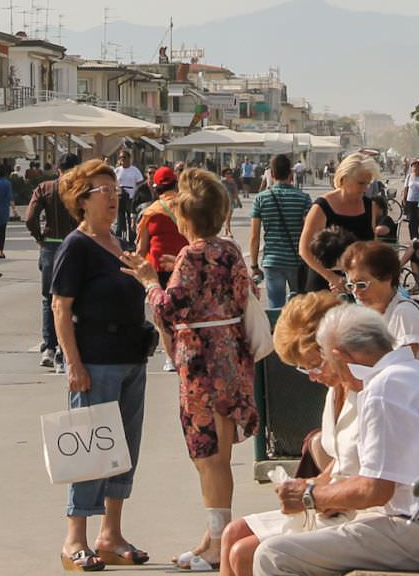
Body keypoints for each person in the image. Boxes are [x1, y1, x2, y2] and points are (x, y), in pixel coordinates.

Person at [250, 305, 419, 576]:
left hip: (413, 535)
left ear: (340, 356)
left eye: (328, 363)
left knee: (273, 555)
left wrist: (310, 497)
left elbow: (374, 490)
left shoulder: (384, 388)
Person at [134, 168, 259, 572]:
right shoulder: (227, 250)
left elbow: (169, 309)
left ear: (185, 218)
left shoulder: (192, 254)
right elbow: (243, 294)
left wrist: (151, 280)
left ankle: (219, 542)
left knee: (208, 456)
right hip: (231, 355)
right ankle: (212, 536)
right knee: (216, 455)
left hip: (201, 361)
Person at [220, 292, 372, 576]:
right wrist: (312, 484)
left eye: (315, 365)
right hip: (330, 505)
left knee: (244, 552)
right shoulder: (335, 391)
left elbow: (371, 480)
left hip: (357, 515)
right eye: (304, 369)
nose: (312, 376)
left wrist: (315, 493)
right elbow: (341, 463)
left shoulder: (370, 394)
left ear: (335, 348)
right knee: (232, 533)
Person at [50, 159, 151, 572]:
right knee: (89, 450)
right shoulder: (76, 245)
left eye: (115, 189)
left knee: (123, 450)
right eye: (102, 190)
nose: (113, 196)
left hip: (131, 358)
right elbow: (60, 306)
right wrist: (73, 362)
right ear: (81, 200)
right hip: (95, 359)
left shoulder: (119, 242)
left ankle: (111, 535)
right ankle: (74, 539)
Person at [297, 155, 391, 296]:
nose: (365, 188)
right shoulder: (322, 206)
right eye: (360, 183)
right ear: (344, 178)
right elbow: (304, 250)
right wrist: (331, 277)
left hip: (359, 286)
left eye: (368, 183)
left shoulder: (369, 205)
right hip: (324, 284)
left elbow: (371, 243)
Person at [26, 151, 82, 370]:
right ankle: (64, 349)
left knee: (48, 298)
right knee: (72, 298)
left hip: (50, 244)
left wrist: (39, 237)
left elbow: (30, 218)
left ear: (58, 169)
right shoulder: (80, 189)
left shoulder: (44, 188)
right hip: (75, 245)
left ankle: (49, 347)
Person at [343, 241, 419, 366]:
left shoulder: (404, 312)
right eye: (351, 285)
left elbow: (401, 366)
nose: (356, 292)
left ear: (387, 278)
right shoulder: (367, 315)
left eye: (362, 285)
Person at [249, 154, 311, 309]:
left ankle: (277, 332)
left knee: (276, 307)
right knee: (300, 308)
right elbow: (309, 232)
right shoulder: (303, 198)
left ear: (271, 174)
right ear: (291, 174)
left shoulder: (261, 199)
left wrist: (254, 266)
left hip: (272, 260)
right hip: (298, 261)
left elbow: (254, 236)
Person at [113, 153, 146, 239]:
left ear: (129, 158)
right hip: (120, 198)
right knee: (120, 220)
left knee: (130, 219)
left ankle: (132, 239)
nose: (122, 159)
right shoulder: (117, 171)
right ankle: (119, 238)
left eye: (124, 157)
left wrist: (136, 194)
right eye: (120, 158)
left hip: (131, 198)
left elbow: (140, 183)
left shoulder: (134, 170)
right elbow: (113, 183)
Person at [401, 161, 419, 245]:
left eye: (417, 167)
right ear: (411, 168)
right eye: (414, 167)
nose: (415, 168)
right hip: (410, 200)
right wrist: (404, 198)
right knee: (412, 219)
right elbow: (406, 188)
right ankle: (414, 236)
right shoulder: (409, 176)